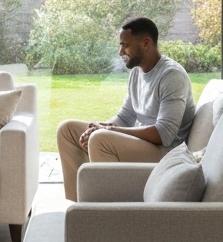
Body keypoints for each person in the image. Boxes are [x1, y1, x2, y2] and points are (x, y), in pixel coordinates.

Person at [56, 16, 196, 202]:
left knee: (100, 139)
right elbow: (126, 115)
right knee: (67, 130)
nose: (121, 51)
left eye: (125, 45)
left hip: (165, 152)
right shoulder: (137, 72)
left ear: (146, 43)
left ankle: (104, 211)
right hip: (143, 144)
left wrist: (108, 131)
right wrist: (101, 125)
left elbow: (164, 134)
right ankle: (78, 207)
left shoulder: (171, 75)